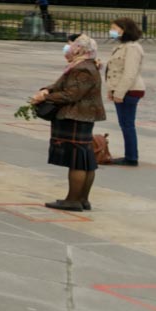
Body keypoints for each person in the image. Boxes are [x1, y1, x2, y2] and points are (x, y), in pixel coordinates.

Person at [40, 34, 106, 212]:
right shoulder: (82, 65)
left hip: (76, 116)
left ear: (80, 49)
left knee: (78, 160)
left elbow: (71, 94)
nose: (68, 47)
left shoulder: (82, 68)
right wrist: (48, 89)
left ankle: (73, 199)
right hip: (81, 116)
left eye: (71, 45)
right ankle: (82, 199)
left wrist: (46, 96)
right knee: (85, 159)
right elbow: (64, 86)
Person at [104, 17, 146, 166]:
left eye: (115, 29)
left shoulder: (132, 48)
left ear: (125, 30)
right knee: (125, 124)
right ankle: (130, 155)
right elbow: (114, 70)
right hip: (122, 90)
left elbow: (129, 74)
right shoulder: (123, 46)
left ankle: (131, 157)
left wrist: (119, 93)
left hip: (130, 90)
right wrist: (111, 90)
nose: (112, 31)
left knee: (127, 124)